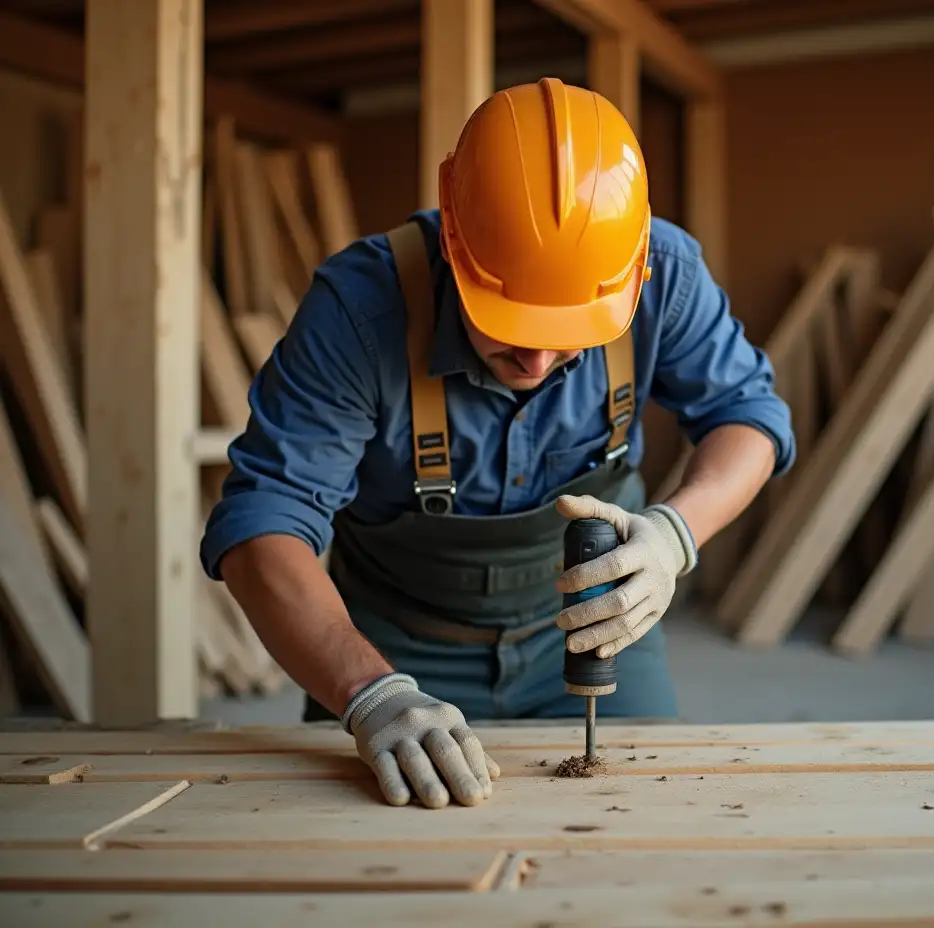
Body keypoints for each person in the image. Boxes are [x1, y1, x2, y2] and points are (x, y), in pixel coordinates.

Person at [200, 78, 795, 810]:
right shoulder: (360, 310)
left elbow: (749, 417)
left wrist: (675, 534)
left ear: (633, 272)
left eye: (572, 332)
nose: (538, 363)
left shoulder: (662, 270)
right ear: (454, 242)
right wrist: (368, 692)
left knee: (645, 827)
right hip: (396, 644)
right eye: (507, 321)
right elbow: (264, 522)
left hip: (595, 630)